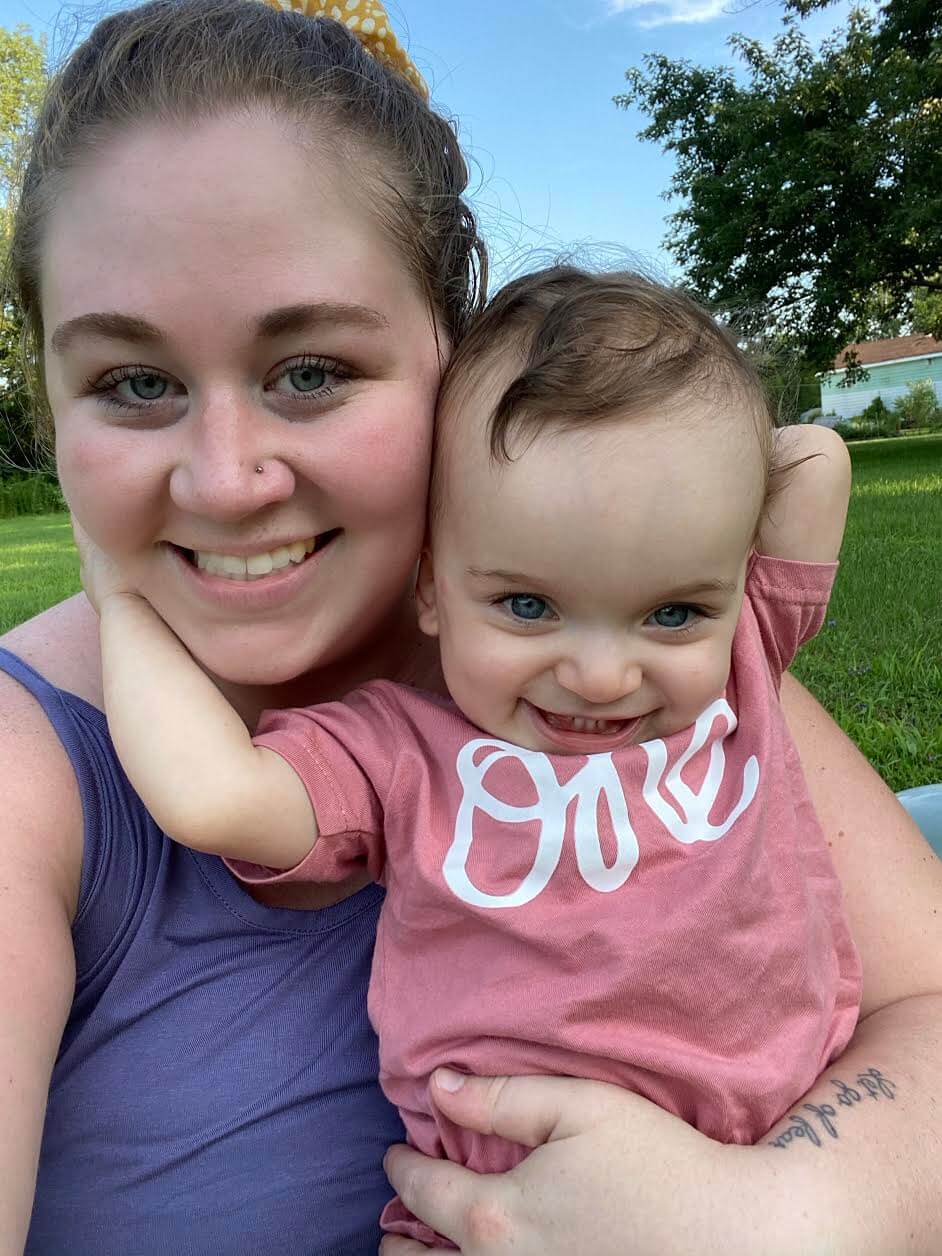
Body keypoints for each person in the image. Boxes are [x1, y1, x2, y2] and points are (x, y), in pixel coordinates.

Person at [0, 0, 939, 1253]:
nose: (226, 479)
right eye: (135, 383)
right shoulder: (31, 781)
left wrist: (786, 1214)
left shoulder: (641, 669)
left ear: (455, 350)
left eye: (312, 370)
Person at [78, 264, 861, 1248]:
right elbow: (212, 796)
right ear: (431, 588)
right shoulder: (405, 755)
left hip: (785, 1156)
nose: (604, 674)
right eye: (527, 605)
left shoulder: (743, 655)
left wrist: (685, 447)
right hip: (503, 1211)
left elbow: (815, 459)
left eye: (670, 610)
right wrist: (119, 601)